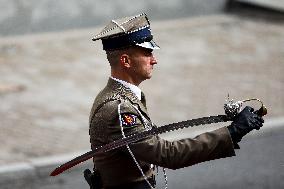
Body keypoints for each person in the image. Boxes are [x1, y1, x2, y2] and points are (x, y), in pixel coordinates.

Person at [88, 13, 264, 189]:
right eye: (147, 53)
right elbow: (167, 154)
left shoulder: (119, 97)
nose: (154, 60)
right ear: (126, 61)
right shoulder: (118, 109)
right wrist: (232, 132)